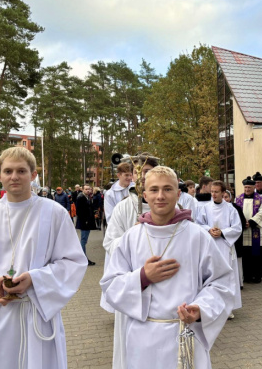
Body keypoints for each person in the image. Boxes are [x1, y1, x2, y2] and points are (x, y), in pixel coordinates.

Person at [0, 147, 87, 369]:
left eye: (21, 171)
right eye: (8, 171)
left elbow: (73, 262)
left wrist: (35, 279)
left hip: (36, 314)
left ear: (33, 175)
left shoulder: (54, 213)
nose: (14, 177)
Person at [100, 166, 235, 369]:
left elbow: (222, 282)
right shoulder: (132, 237)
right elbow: (110, 285)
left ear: (179, 194)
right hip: (142, 339)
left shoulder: (197, 236)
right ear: (144, 194)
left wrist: (200, 309)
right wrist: (143, 277)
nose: (160, 196)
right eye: (154, 190)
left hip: (184, 333)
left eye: (168, 189)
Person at [102, 153, 159, 369]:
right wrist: (132, 236)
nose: (142, 176)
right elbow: (109, 243)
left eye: (146, 172)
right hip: (133, 283)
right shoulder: (123, 208)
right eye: (137, 172)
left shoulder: (168, 205)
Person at [196, 180, 242, 316]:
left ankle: (228, 308)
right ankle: (212, 307)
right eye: (212, 192)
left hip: (224, 246)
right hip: (210, 246)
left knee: (226, 277)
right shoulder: (205, 208)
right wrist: (209, 229)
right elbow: (198, 224)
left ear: (223, 193)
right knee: (212, 277)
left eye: (216, 192)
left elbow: (237, 228)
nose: (213, 194)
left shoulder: (230, 209)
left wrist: (222, 232)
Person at [235, 176, 262, 283]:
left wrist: (252, 222)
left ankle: (257, 275)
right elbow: (235, 213)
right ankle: (247, 276)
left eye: (249, 187)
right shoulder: (238, 199)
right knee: (246, 254)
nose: (247, 189)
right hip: (243, 230)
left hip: (255, 229)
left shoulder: (260, 198)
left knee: (256, 254)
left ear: (253, 187)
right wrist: (243, 223)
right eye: (245, 187)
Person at [224, 190, 247, 291]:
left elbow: (241, 223)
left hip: (235, 239)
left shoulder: (236, 208)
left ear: (230, 198)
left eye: (227, 197)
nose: (225, 199)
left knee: (237, 261)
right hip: (223, 239)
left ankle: (239, 282)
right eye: (223, 197)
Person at [76, 184, 97, 266]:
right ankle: (83, 258)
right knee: (83, 240)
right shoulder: (81, 197)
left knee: (84, 240)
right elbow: (79, 211)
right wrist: (85, 220)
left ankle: (82, 258)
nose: (88, 190)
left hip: (87, 222)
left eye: (89, 189)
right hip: (84, 222)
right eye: (86, 189)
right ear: (83, 190)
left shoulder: (87, 197)